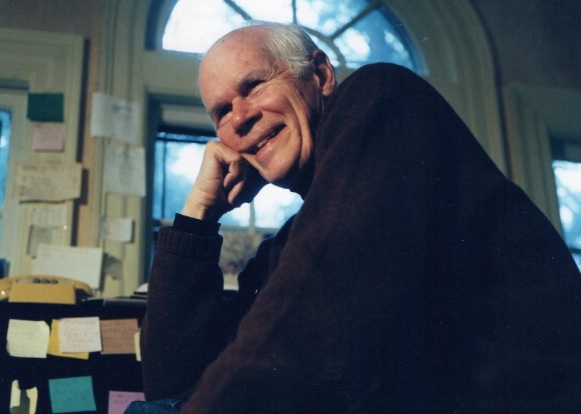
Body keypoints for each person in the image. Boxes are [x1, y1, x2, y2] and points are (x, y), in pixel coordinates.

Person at [127, 21, 581, 413]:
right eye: (222, 111)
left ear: (322, 75)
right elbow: (173, 386)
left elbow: (316, 314)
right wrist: (197, 217)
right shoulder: (294, 239)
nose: (240, 117)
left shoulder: (382, 97)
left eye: (254, 86)